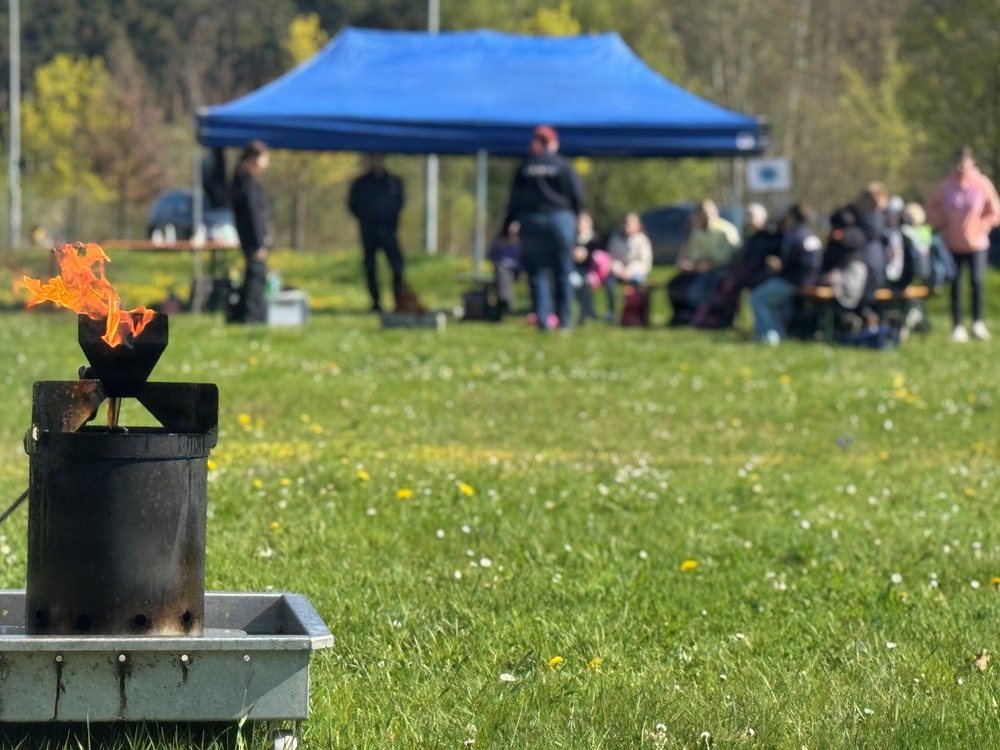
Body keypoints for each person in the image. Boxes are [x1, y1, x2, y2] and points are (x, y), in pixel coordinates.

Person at [501, 125, 584, 331]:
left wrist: (505, 228)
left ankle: (543, 321)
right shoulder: (562, 164)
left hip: (530, 221)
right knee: (563, 271)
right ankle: (564, 323)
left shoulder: (525, 165)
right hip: (559, 219)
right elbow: (576, 194)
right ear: (553, 142)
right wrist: (578, 216)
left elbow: (514, 201)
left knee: (536, 273)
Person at [925, 146, 1000, 342]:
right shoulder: (947, 185)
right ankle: (957, 325)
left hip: (976, 244)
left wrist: (980, 226)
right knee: (956, 284)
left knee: (976, 281)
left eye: (964, 161)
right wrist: (940, 223)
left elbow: (994, 212)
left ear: (972, 162)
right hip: (952, 243)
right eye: (957, 161)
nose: (960, 165)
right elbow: (930, 208)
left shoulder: (981, 183)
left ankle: (978, 323)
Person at [749, 202, 823, 344]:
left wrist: (780, 267)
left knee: (758, 298)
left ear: (792, 218)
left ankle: (769, 338)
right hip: (801, 279)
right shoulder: (806, 235)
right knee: (771, 301)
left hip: (795, 281)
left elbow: (803, 264)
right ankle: (778, 337)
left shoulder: (797, 237)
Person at [667, 200, 741, 325]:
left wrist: (708, 262)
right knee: (674, 284)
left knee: (700, 289)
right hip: (699, 268)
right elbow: (693, 253)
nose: (706, 215)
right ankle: (682, 315)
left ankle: (704, 317)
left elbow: (729, 254)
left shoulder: (726, 230)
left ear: (716, 211)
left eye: (709, 212)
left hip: (721, 269)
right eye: (703, 212)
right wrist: (691, 263)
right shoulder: (698, 231)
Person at [349, 152, 406, 313]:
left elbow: (399, 204)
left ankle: (398, 299)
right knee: (371, 267)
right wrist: (366, 219)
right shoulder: (362, 184)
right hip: (369, 232)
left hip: (389, 231)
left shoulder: (393, 182)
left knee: (397, 266)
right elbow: (353, 205)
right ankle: (375, 302)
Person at [230, 139, 272, 324]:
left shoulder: (242, 180)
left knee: (254, 276)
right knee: (256, 277)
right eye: (265, 158)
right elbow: (253, 214)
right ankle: (251, 315)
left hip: (249, 237)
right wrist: (260, 241)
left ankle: (248, 314)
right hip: (253, 239)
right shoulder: (248, 183)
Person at [605, 212, 653, 319]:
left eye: (631, 223)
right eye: (626, 223)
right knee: (609, 283)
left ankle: (635, 312)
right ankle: (611, 311)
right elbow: (612, 258)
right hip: (619, 271)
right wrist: (618, 269)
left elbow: (645, 262)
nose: (628, 226)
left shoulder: (642, 240)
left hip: (636, 272)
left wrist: (630, 271)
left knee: (636, 284)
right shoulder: (616, 239)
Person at [569, 212, 609, 324]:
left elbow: (602, 258)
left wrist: (587, 254)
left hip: (593, 272)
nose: (580, 224)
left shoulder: (596, 239)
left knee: (586, 283)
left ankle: (585, 314)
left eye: (583, 221)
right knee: (572, 282)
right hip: (575, 270)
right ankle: (582, 312)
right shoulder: (572, 238)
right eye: (579, 221)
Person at [488, 221, 522, 314]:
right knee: (502, 271)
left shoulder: (523, 240)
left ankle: (506, 301)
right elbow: (491, 255)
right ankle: (505, 300)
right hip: (503, 267)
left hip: (520, 268)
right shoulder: (500, 241)